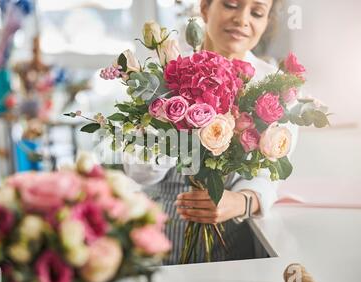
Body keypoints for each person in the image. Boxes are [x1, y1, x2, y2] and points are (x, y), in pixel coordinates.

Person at [124, 0, 298, 265]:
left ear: (266, 23)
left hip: (235, 242)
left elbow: (271, 175)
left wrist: (241, 202)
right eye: (231, 4)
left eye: (257, 12)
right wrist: (173, 120)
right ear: (205, 8)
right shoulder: (164, 74)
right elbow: (138, 171)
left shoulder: (276, 90)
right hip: (159, 235)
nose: (242, 19)